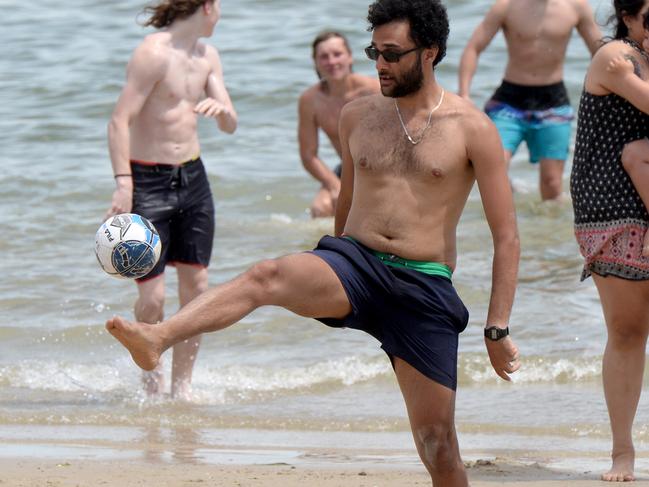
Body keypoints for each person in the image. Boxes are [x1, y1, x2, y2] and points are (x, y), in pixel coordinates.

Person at [106, 0, 520, 484]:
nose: (379, 64)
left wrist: (497, 328)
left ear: (429, 53)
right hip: (356, 264)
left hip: (422, 284)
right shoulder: (357, 116)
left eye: (391, 53)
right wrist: (331, 262)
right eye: (373, 52)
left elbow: (506, 236)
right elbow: (346, 202)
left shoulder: (473, 129)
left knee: (438, 446)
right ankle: (158, 337)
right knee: (268, 275)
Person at [105, 0, 237, 400]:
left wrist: (222, 111)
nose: (221, 15)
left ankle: (181, 389)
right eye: (220, 7)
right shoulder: (152, 53)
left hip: (193, 178)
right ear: (207, 7)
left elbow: (230, 123)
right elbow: (119, 121)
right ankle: (151, 384)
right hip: (148, 180)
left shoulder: (207, 55)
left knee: (196, 288)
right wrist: (124, 183)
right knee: (153, 296)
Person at [570, 0, 649, 481]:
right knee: (627, 331)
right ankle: (623, 452)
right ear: (628, 15)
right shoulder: (614, 55)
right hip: (611, 205)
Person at [458, 0, 602, 201]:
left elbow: (601, 53)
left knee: (552, 183)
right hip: (508, 102)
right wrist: (464, 94)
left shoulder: (576, 7)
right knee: (493, 168)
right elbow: (474, 48)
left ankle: (545, 230)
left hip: (554, 102)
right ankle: (504, 221)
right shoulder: (506, 6)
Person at [298, 31, 380, 217]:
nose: (332, 62)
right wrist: (335, 186)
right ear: (316, 62)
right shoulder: (310, 100)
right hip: (347, 168)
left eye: (337, 54)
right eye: (324, 57)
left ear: (349, 57)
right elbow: (308, 155)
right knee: (321, 208)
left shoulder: (374, 90)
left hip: (381, 168)